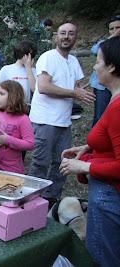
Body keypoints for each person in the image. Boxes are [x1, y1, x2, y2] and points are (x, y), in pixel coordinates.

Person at [59, 36, 120, 267]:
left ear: (112, 66)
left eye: (98, 61)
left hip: (109, 196)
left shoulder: (118, 107)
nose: (94, 66)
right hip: (106, 193)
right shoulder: (114, 100)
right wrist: (90, 146)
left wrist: (82, 166)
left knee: (104, 257)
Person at [28, 22, 95, 204]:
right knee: (41, 163)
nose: (66, 37)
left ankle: (51, 199)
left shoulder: (73, 61)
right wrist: (75, 93)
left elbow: (76, 86)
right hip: (45, 120)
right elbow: (42, 86)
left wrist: (81, 92)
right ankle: (32, 201)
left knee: (62, 162)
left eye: (71, 34)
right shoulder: (48, 57)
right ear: (56, 37)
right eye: (63, 33)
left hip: (64, 121)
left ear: (75, 37)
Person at [0, 80, 34, 174]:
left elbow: (30, 144)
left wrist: (7, 140)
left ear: (13, 96)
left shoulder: (23, 119)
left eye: (1, 94)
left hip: (13, 171)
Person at [90, 15, 120, 126]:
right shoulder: (104, 43)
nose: (115, 31)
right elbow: (94, 50)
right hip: (101, 86)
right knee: (100, 115)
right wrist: (111, 39)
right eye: (111, 29)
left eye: (118, 28)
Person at [0, 40, 37, 105]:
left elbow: (34, 89)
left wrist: (28, 67)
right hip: (9, 105)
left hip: (25, 106)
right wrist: (6, 95)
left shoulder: (33, 70)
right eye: (29, 55)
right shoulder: (6, 69)